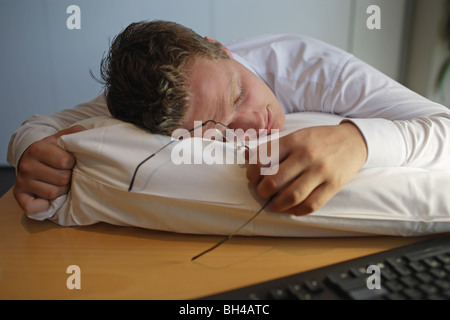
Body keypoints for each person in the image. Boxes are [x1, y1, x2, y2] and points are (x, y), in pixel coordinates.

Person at [8, 20, 450, 217]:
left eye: (239, 93)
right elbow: (37, 125)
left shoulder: (313, 67)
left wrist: (357, 141)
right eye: (210, 130)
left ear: (218, 47)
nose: (252, 125)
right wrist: (29, 151)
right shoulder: (145, 102)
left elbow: (442, 125)